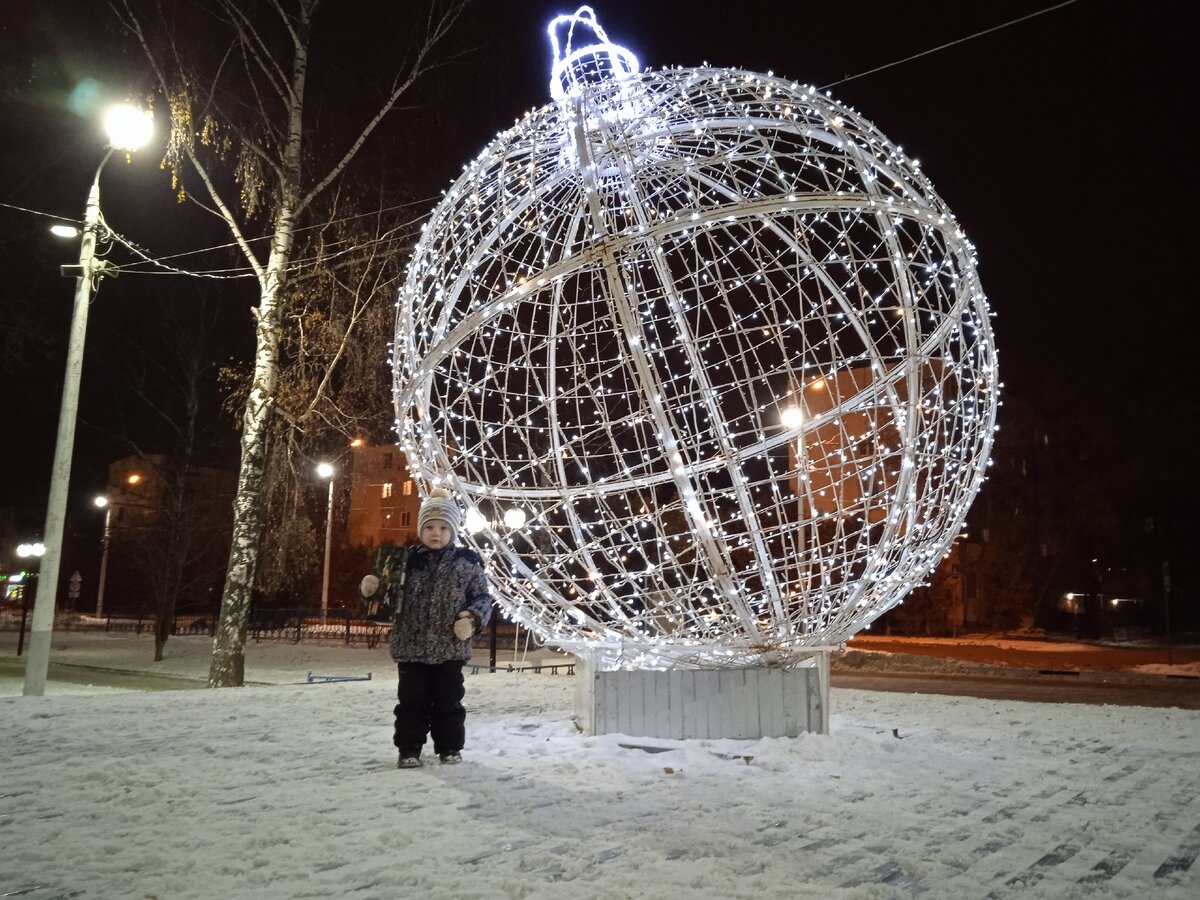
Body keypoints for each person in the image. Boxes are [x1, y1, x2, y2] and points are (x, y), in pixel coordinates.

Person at [360, 488, 492, 768]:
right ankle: (409, 748)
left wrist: (472, 619)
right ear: (420, 529)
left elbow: (482, 597)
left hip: (449, 648)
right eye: (430, 527)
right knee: (411, 703)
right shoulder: (404, 561)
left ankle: (450, 747)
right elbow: (385, 599)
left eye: (444, 528)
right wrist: (371, 591)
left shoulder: (466, 563)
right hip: (411, 647)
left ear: (453, 530)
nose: (436, 533)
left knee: (449, 702)